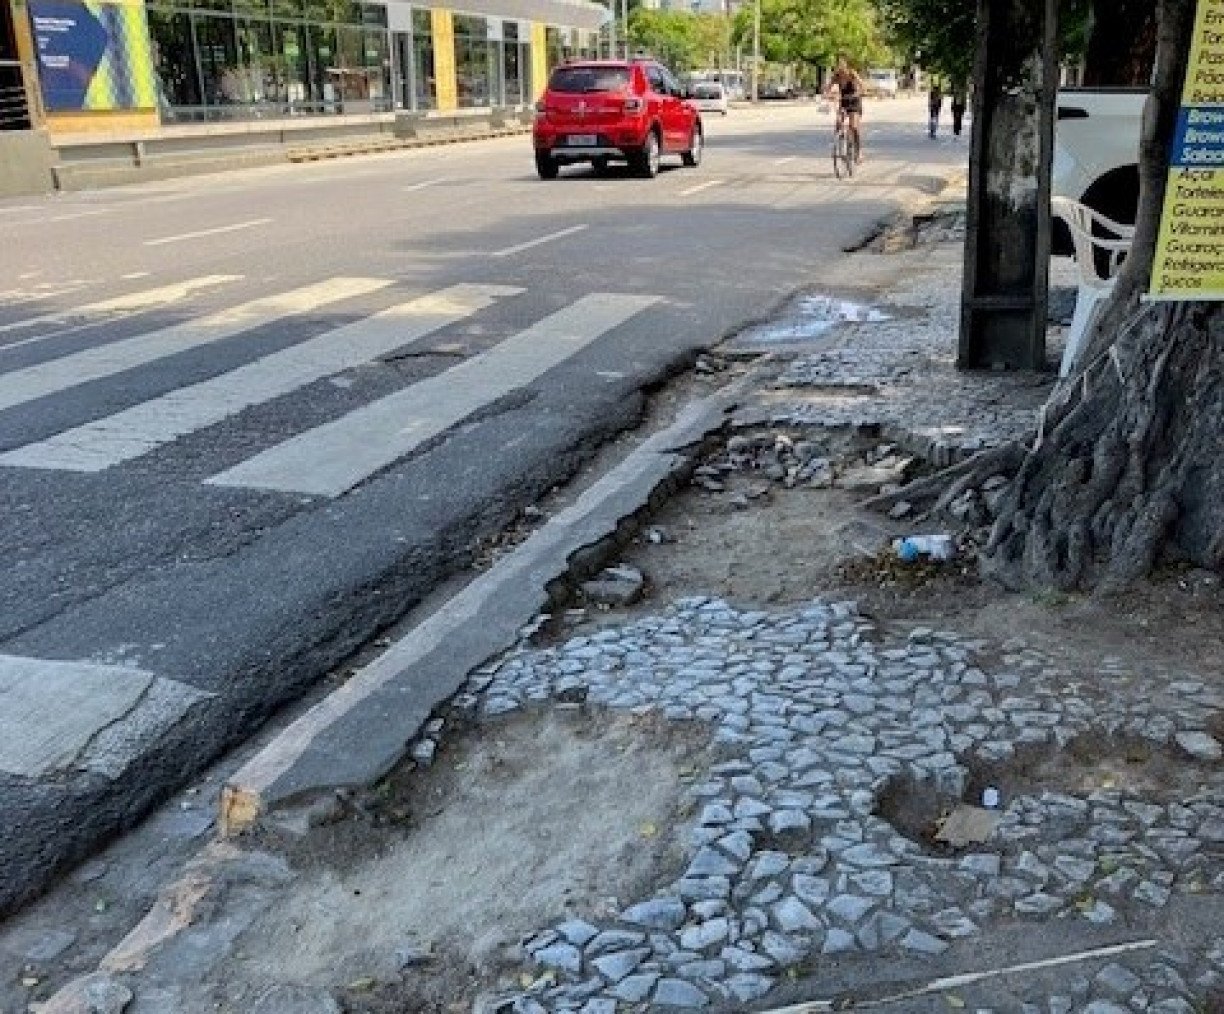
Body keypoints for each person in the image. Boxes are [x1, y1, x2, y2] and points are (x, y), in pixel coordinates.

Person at [825, 57, 865, 163]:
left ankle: (859, 151)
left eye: (842, 65)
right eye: (838, 66)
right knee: (838, 123)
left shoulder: (852, 74)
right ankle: (840, 146)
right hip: (843, 102)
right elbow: (828, 88)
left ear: (846, 66)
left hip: (854, 102)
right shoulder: (836, 77)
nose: (840, 68)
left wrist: (859, 93)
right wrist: (828, 95)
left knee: (854, 126)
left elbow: (862, 86)